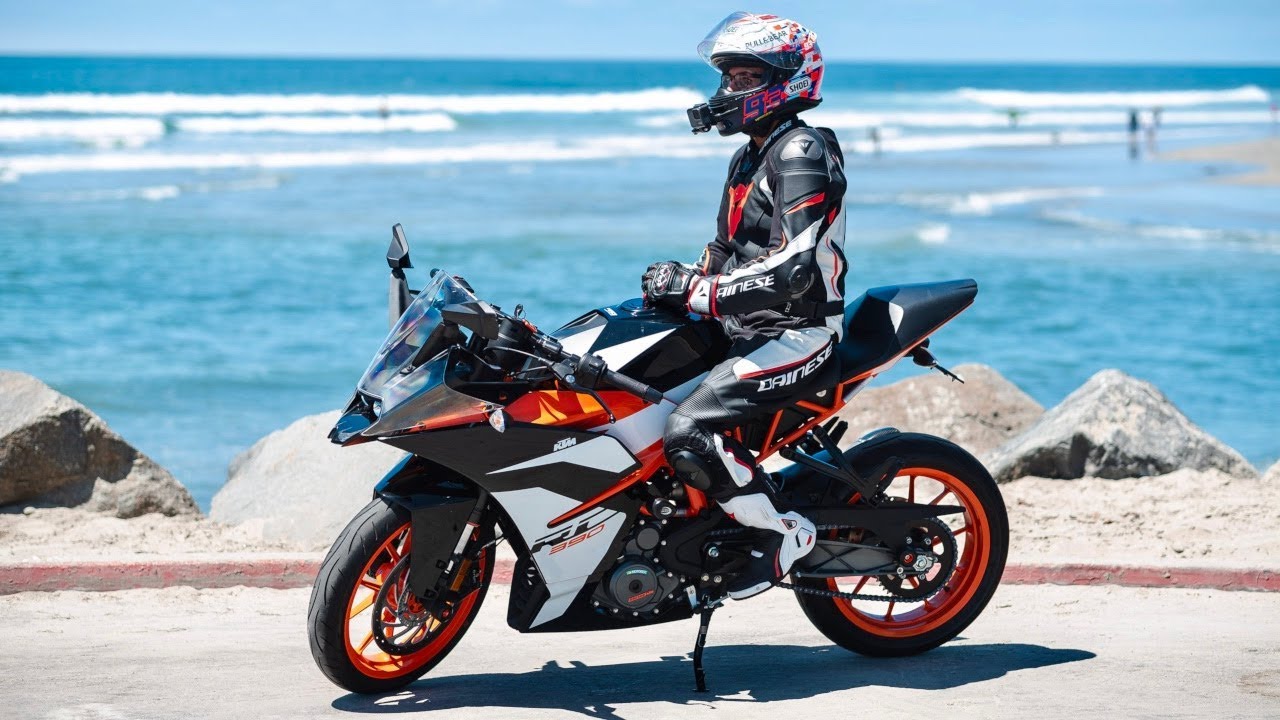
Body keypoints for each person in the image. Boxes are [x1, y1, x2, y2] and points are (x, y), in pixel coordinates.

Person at [642, 11, 846, 600]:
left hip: (798, 332)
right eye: (728, 78)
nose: (730, 90)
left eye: (746, 78)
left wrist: (696, 291)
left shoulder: (802, 149)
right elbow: (725, 250)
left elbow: (793, 267)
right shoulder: (748, 157)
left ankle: (782, 534)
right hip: (742, 329)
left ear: (786, 79)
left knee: (687, 429)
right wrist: (678, 281)